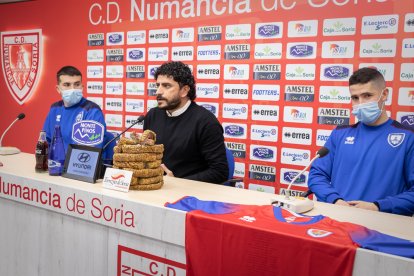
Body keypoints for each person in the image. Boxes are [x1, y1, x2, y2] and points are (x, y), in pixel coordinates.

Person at [308, 67, 414, 216]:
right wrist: (335, 200)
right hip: (338, 219)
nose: (361, 103)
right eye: (355, 98)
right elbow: (317, 175)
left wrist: (378, 206)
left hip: (383, 227)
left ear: (384, 94)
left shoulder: (408, 137)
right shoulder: (340, 133)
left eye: (367, 95)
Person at [143, 61, 229, 184]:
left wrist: (178, 183)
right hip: (154, 186)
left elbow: (220, 172)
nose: (158, 92)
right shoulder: (153, 115)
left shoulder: (206, 122)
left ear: (184, 91)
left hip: (190, 195)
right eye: (158, 85)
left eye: (166, 86)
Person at [42, 66, 114, 162]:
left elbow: (90, 151)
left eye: (76, 84)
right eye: (67, 85)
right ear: (58, 89)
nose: (72, 89)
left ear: (82, 87)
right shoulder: (55, 108)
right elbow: (46, 141)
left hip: (79, 168)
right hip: (56, 168)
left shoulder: (92, 111)